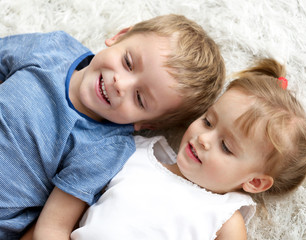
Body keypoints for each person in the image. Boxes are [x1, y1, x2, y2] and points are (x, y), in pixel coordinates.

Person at [71, 58, 306, 240]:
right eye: (208, 121)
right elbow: (70, 198)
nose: (204, 138)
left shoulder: (224, 217)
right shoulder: (135, 154)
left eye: (226, 146)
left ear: (255, 181)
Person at [0, 14, 225, 239]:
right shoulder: (53, 48)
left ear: (145, 123)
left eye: (139, 99)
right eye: (128, 63)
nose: (121, 85)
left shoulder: (106, 146)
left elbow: (52, 227)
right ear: (120, 36)